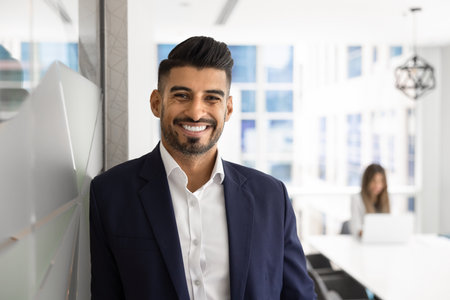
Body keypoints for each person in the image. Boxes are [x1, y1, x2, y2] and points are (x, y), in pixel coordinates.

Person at [89, 36, 316, 300]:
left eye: (211, 98)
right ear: (156, 103)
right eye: (182, 96)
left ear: (228, 108)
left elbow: (299, 295)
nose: (196, 112)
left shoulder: (271, 196)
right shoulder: (110, 194)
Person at [350, 163, 390, 237]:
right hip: (364, 241)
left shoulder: (387, 199)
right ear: (367, 181)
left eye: (381, 181)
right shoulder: (357, 199)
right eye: (374, 181)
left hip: (382, 240)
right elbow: (356, 228)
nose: (377, 185)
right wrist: (370, 233)